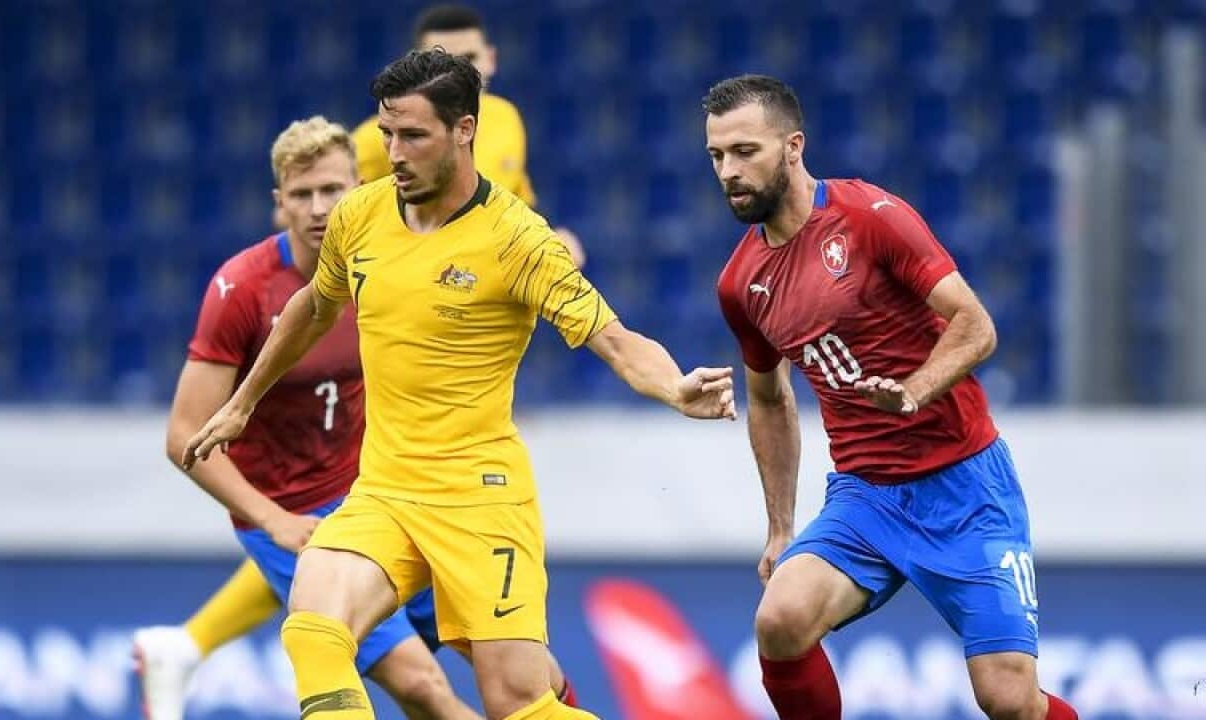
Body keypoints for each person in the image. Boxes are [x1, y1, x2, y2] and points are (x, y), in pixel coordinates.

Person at [183, 49, 735, 720]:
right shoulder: (361, 215)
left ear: (464, 130)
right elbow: (313, 307)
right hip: (385, 491)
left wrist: (676, 388)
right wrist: (244, 404)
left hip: (479, 500)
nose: (394, 152)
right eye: (386, 134)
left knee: (519, 704)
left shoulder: (518, 240)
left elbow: (615, 341)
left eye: (412, 135)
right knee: (314, 623)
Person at [706, 75, 1079, 720]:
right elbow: (769, 400)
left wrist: (912, 393)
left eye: (745, 152)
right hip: (865, 497)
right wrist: (779, 527)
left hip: (964, 488)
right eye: (716, 156)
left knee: (1009, 700)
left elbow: (976, 324)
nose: (728, 172)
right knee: (781, 619)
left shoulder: (870, 217)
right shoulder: (741, 283)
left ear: (794, 146)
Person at [134, 116, 482, 720]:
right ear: (279, 206)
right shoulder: (242, 289)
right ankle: (188, 644)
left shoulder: (389, 264)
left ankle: (186, 644)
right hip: (292, 511)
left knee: (511, 657)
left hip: (383, 497)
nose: (319, 208)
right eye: (302, 195)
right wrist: (275, 522)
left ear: (362, 187)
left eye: (332, 190)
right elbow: (184, 436)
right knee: (422, 685)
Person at [350, 3, 586, 268]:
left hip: (491, 280)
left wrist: (551, 237)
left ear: (491, 60)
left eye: (470, 58)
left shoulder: (506, 118)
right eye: (443, 61)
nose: (458, 75)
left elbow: (519, 201)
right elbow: (334, 214)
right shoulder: (376, 139)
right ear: (418, 66)